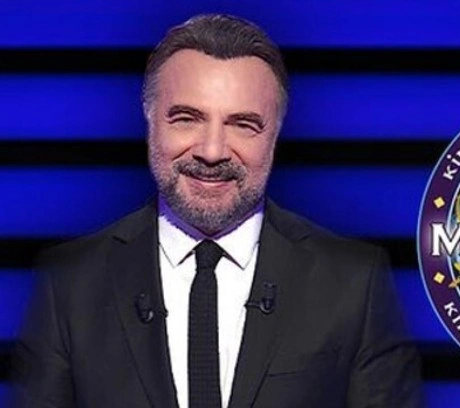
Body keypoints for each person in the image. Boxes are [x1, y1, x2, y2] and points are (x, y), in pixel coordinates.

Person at [11, 13, 423, 408]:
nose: (212, 151)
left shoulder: (356, 283)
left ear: (276, 135)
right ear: (149, 120)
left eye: (243, 124)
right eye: (187, 119)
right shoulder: (67, 283)